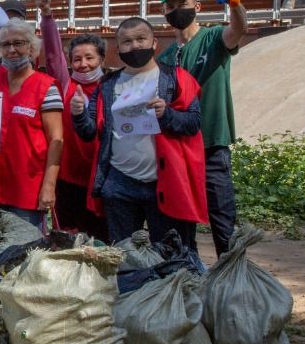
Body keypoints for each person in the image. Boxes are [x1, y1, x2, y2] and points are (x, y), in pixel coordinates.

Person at [72, 16, 207, 258]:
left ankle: (171, 293)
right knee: (125, 256)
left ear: (154, 43)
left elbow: (194, 123)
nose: (134, 46)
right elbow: (90, 132)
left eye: (140, 39)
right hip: (119, 184)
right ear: (117, 48)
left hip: (164, 183)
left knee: (170, 254)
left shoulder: (176, 78)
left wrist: (167, 114)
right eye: (127, 42)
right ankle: (131, 294)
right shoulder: (108, 84)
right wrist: (79, 113)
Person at [157, 0, 246, 257]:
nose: (176, 10)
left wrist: (235, 4)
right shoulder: (167, 55)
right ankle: (190, 275)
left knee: (222, 218)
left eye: (182, 3)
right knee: (182, 221)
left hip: (210, 145)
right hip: (179, 149)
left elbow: (238, 29)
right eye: (170, 6)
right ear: (164, 13)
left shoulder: (213, 38)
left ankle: (231, 278)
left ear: (197, 6)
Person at [0, 17, 64, 229]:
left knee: (25, 254)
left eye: (18, 43)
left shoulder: (46, 87)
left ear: (32, 48)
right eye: (5, 44)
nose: (12, 49)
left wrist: (49, 186)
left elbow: (57, 140)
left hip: (27, 188)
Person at [56, 33, 109, 240]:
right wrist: (48, 17)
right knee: (69, 238)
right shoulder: (65, 86)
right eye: (77, 59)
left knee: (99, 239)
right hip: (68, 178)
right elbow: (53, 54)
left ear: (101, 60)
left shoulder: (111, 87)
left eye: (89, 58)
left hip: (100, 178)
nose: (83, 64)